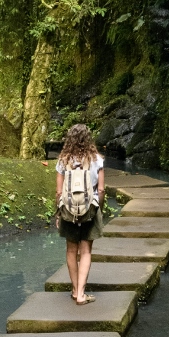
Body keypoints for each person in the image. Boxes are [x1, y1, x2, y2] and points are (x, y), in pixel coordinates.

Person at [55, 123, 105, 305]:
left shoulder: (63, 161)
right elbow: (100, 189)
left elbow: (59, 192)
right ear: (88, 139)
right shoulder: (96, 160)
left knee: (71, 250)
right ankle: (82, 294)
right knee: (85, 251)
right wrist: (98, 208)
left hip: (68, 210)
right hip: (89, 210)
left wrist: (58, 213)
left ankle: (75, 290)